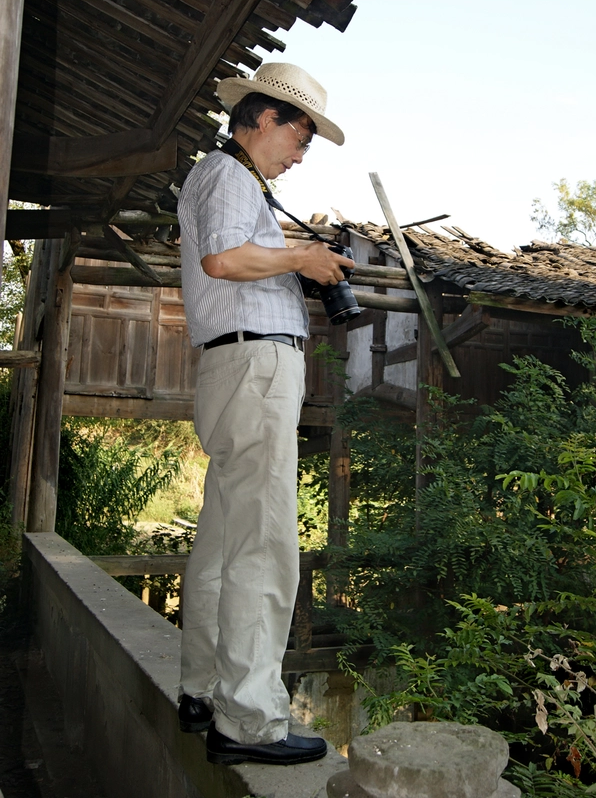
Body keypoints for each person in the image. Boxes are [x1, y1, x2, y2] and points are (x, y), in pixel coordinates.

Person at [176, 63, 353, 766]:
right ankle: (247, 720)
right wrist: (302, 258)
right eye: (300, 134)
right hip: (254, 367)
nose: (303, 152)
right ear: (260, 118)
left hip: (233, 366)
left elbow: (228, 259)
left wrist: (296, 261)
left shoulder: (232, 182)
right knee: (265, 539)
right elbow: (222, 259)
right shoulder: (226, 175)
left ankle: (202, 688)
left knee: (223, 539)